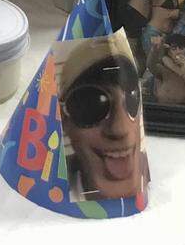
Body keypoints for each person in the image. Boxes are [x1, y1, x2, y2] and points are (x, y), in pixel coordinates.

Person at [58, 39, 146, 201]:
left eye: (132, 99)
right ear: (64, 120)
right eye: (92, 105)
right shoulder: (52, 184)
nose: (120, 129)